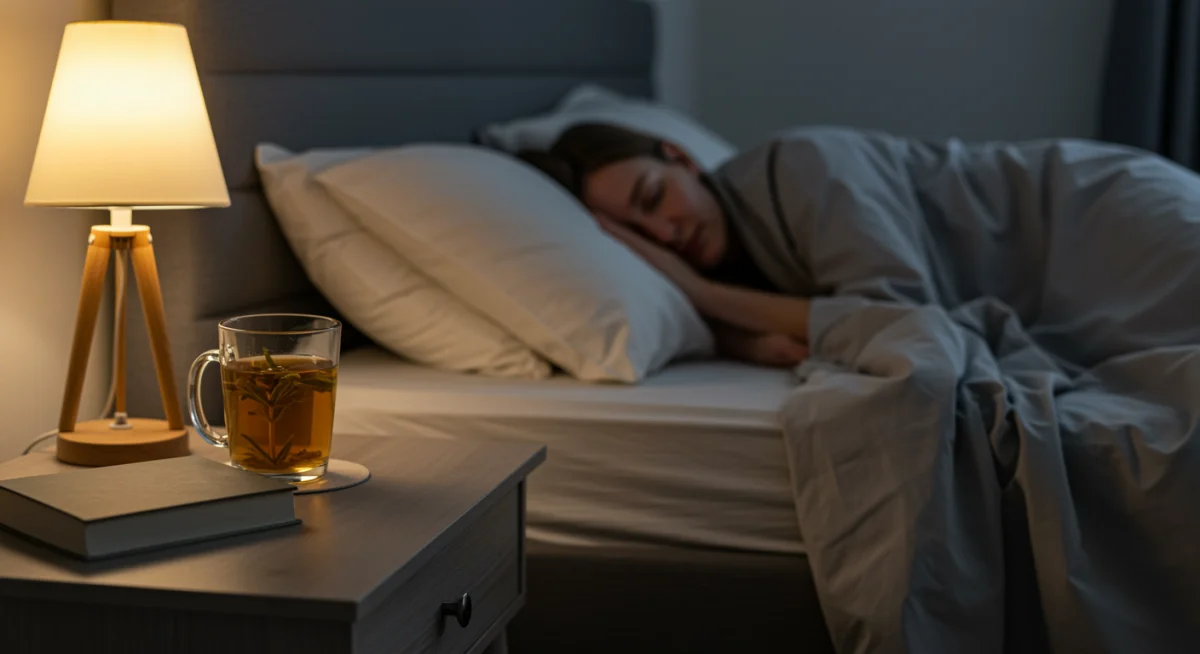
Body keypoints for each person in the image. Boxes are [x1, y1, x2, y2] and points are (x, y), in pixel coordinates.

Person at [519, 124, 813, 368]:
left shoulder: (799, 172)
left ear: (681, 158)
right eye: (637, 235)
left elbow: (845, 323)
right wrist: (741, 343)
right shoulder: (728, 269)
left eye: (653, 197)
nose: (663, 235)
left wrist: (702, 292)